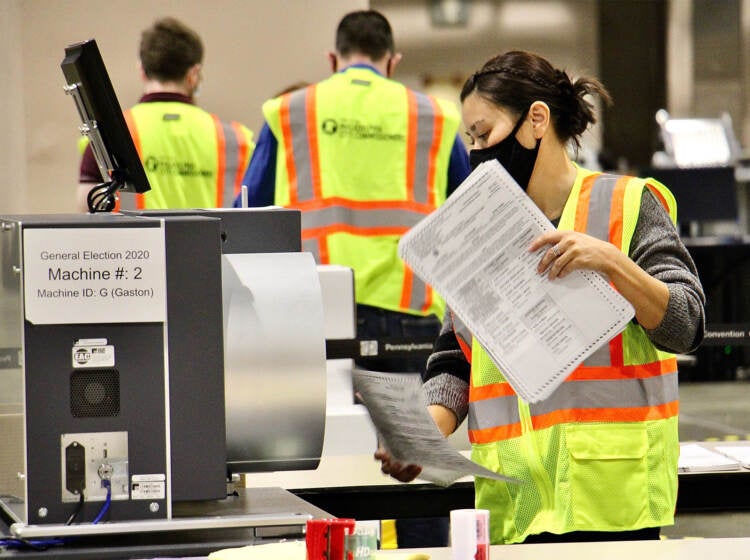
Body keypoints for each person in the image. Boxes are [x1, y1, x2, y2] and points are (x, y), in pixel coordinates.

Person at [376, 50, 706, 545]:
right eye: (470, 139)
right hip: (515, 506)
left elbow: (687, 325)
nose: (477, 152)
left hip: (612, 502)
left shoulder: (628, 205)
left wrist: (613, 262)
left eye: (484, 134)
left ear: (536, 121)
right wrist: (421, 436)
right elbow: (455, 362)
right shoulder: (477, 231)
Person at [235, 9, 471, 375]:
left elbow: (246, 213)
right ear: (392, 63)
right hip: (407, 313)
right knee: (407, 431)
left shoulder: (292, 112)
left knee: (325, 431)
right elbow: (469, 211)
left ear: (333, 60)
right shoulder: (433, 116)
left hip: (313, 307)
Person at [77, 17, 254, 212]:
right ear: (194, 74)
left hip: (137, 243)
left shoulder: (108, 132)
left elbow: (87, 206)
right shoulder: (235, 140)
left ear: (142, 70)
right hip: (211, 243)